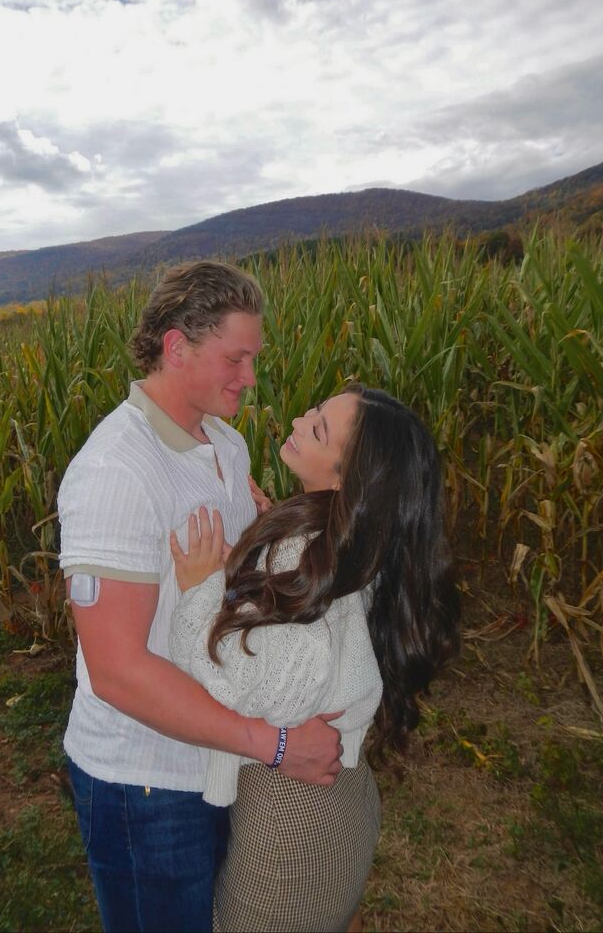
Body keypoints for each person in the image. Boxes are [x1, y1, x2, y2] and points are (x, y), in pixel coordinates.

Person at [57, 261, 343, 933]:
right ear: (177, 346)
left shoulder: (226, 445)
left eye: (253, 357)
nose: (249, 377)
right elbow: (120, 672)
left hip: (213, 759)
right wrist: (271, 745)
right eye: (234, 358)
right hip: (145, 782)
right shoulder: (115, 474)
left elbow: (223, 596)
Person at [169, 384, 461, 933]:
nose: (302, 418)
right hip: (342, 797)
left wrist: (200, 592)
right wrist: (270, 531)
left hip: (293, 820)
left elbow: (265, 684)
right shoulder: (356, 545)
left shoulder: (307, 551)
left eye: (320, 427)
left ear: (344, 481)